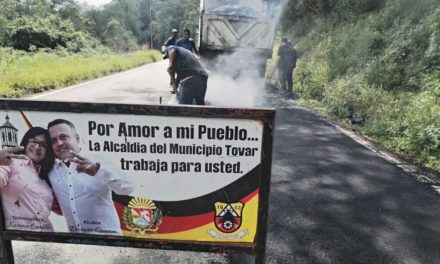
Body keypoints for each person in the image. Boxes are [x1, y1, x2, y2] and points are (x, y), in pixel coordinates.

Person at [47, 119, 133, 235]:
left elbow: (127, 188)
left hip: (108, 240)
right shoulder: (51, 170)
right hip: (76, 242)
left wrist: (97, 171)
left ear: (77, 138)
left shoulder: (98, 160)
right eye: (53, 140)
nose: (59, 143)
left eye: (63, 137)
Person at [0, 127, 55, 232]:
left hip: (46, 237)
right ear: (25, 142)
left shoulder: (45, 176)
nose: (38, 147)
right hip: (17, 237)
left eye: (43, 145)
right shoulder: (11, 162)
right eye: (33, 141)